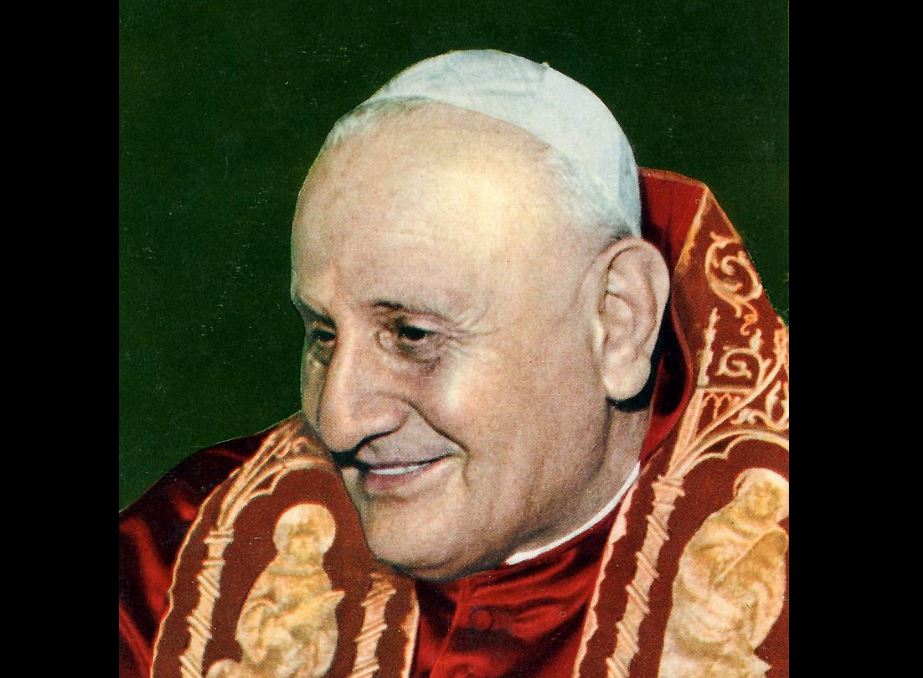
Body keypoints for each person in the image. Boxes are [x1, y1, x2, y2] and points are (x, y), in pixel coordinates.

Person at [120, 50, 788, 677]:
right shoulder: (181, 549)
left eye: (412, 335)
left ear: (618, 321)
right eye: (323, 334)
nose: (339, 421)